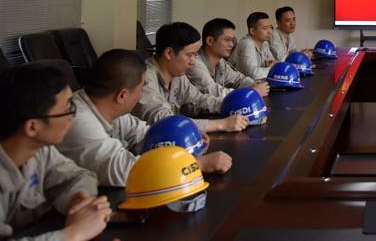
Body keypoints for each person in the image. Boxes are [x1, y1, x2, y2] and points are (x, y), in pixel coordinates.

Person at [58, 49, 233, 187]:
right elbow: (127, 171)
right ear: (122, 95)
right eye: (141, 88)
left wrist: (185, 140)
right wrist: (198, 164)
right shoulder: (78, 120)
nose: (141, 95)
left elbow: (143, 134)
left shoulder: (107, 106)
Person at [0, 63, 111, 241]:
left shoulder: (40, 150)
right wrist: (73, 234)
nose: (72, 117)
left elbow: (78, 176)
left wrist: (77, 201)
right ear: (32, 127)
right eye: (67, 110)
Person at [132, 22, 248, 133]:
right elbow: (166, 121)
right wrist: (221, 124)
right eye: (189, 55)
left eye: (195, 55)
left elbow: (199, 99)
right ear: (169, 53)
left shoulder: (177, 75)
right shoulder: (143, 77)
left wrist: (233, 105)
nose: (193, 62)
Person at [188, 18, 269, 98]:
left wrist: (253, 84)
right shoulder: (194, 62)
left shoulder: (220, 61)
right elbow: (212, 90)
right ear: (210, 41)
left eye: (233, 40)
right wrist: (251, 92)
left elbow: (238, 79)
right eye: (227, 40)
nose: (232, 45)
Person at [231, 12, 277, 79]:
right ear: (252, 31)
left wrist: (272, 66)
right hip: (239, 84)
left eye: (271, 27)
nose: (270, 31)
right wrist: (273, 68)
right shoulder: (247, 44)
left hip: (256, 83)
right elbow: (254, 74)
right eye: (265, 28)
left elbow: (273, 62)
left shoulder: (265, 43)